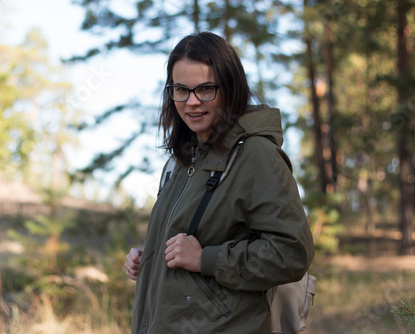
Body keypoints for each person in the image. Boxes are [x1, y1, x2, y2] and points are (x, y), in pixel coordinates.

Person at [125, 31, 314, 334]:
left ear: (230, 88)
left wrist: (205, 259)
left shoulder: (255, 155)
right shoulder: (181, 161)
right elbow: (191, 241)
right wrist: (148, 260)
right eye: (181, 90)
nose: (192, 102)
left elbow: (291, 252)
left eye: (206, 89)